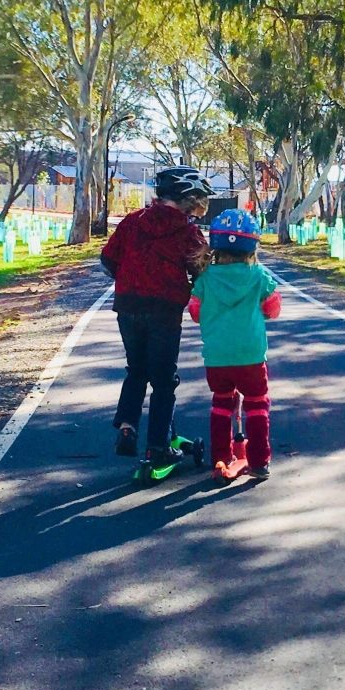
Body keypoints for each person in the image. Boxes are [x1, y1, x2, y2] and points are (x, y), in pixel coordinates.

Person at [100, 164, 212, 479]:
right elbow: (201, 271)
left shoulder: (132, 221)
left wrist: (131, 277)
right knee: (163, 381)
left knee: (136, 371)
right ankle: (157, 449)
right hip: (164, 311)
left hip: (127, 306)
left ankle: (126, 426)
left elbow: (108, 260)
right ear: (187, 197)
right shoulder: (189, 232)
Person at [187, 208, 283, 483]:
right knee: (256, 405)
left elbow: (195, 312)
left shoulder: (205, 278)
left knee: (221, 404)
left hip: (217, 356)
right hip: (251, 355)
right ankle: (259, 462)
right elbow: (273, 308)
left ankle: (221, 456)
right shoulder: (259, 275)